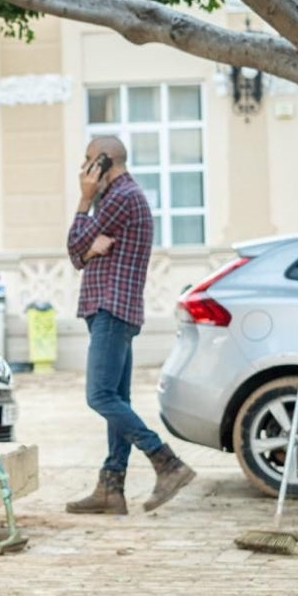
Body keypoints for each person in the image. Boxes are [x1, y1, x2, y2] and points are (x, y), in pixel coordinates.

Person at [65, 135, 196, 515]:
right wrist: (89, 247)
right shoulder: (120, 197)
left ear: (104, 162)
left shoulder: (121, 197)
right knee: (116, 400)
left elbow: (74, 243)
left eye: (88, 161)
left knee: (100, 397)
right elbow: (79, 253)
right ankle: (111, 486)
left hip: (111, 308)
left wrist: (85, 200)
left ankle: (166, 462)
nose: (84, 170)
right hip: (113, 309)